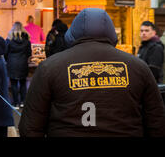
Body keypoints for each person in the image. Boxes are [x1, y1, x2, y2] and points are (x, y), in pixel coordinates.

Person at [19, 8, 165, 137]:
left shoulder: (49, 67)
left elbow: (30, 126)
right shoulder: (138, 67)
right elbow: (157, 122)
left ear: (72, 33)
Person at [5, 21, 31, 109]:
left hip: (12, 64)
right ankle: (23, 102)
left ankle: (15, 103)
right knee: (23, 83)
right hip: (23, 63)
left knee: (14, 84)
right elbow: (29, 53)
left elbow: (5, 52)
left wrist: (7, 60)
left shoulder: (9, 39)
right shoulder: (27, 40)